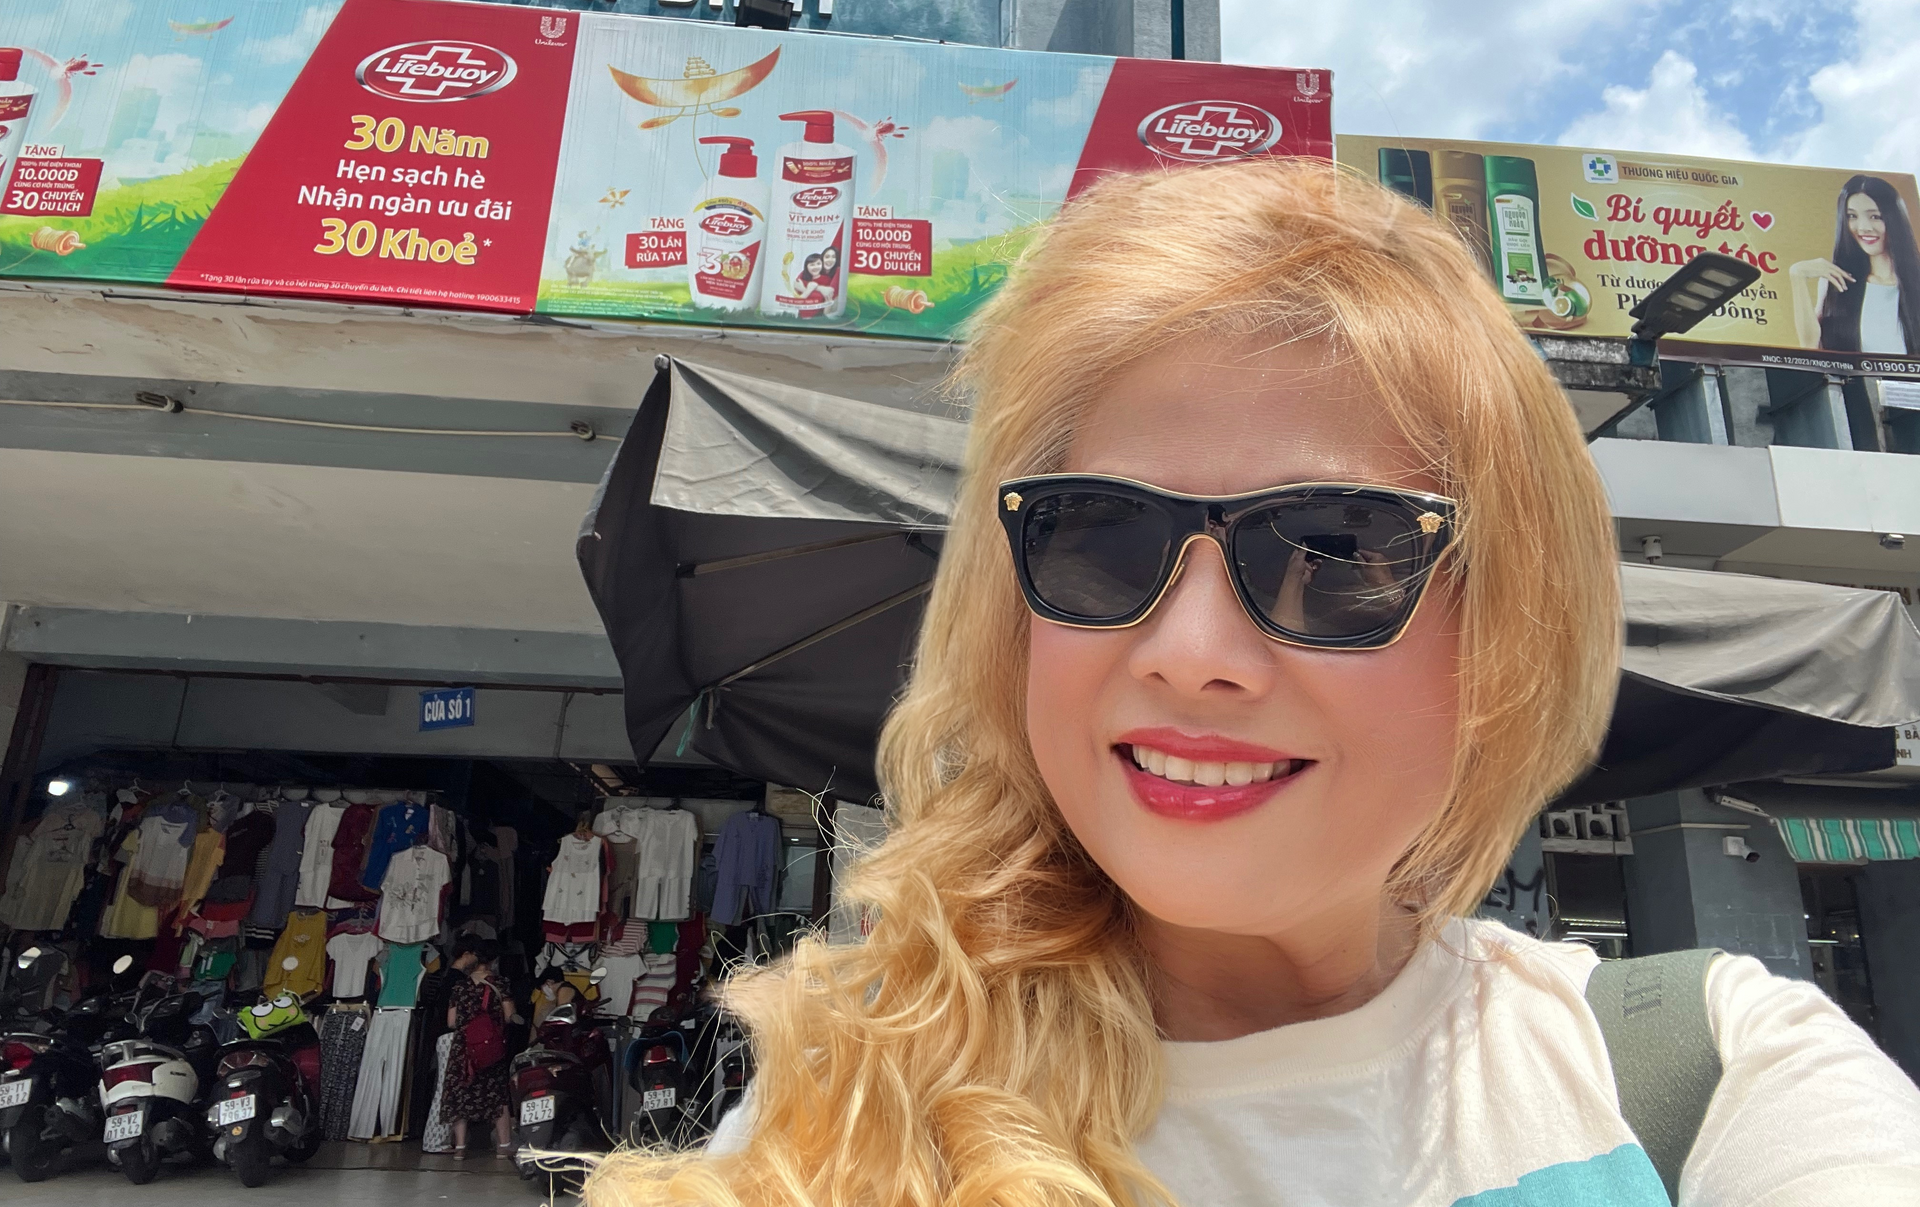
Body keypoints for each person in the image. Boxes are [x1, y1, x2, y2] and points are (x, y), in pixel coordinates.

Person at [585, 160, 1920, 1207]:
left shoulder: (1711, 1071)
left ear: (1505, 634)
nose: (1189, 647)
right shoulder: (847, 1108)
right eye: (1098, 533)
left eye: (1334, 547)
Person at [1791, 173, 1920, 355]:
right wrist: (1797, 275)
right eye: (1852, 216)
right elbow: (1810, 347)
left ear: (1894, 219)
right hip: (1859, 383)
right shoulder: (1837, 282)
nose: (1863, 227)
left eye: (1875, 217)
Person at [442, 942, 523, 1159]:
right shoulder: (501, 984)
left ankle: (459, 1148)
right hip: (490, 1049)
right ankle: (503, 1146)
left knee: (460, 1093)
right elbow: (508, 1016)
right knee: (497, 1097)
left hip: (464, 1048)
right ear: (494, 961)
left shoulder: (460, 987)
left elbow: (451, 1021)